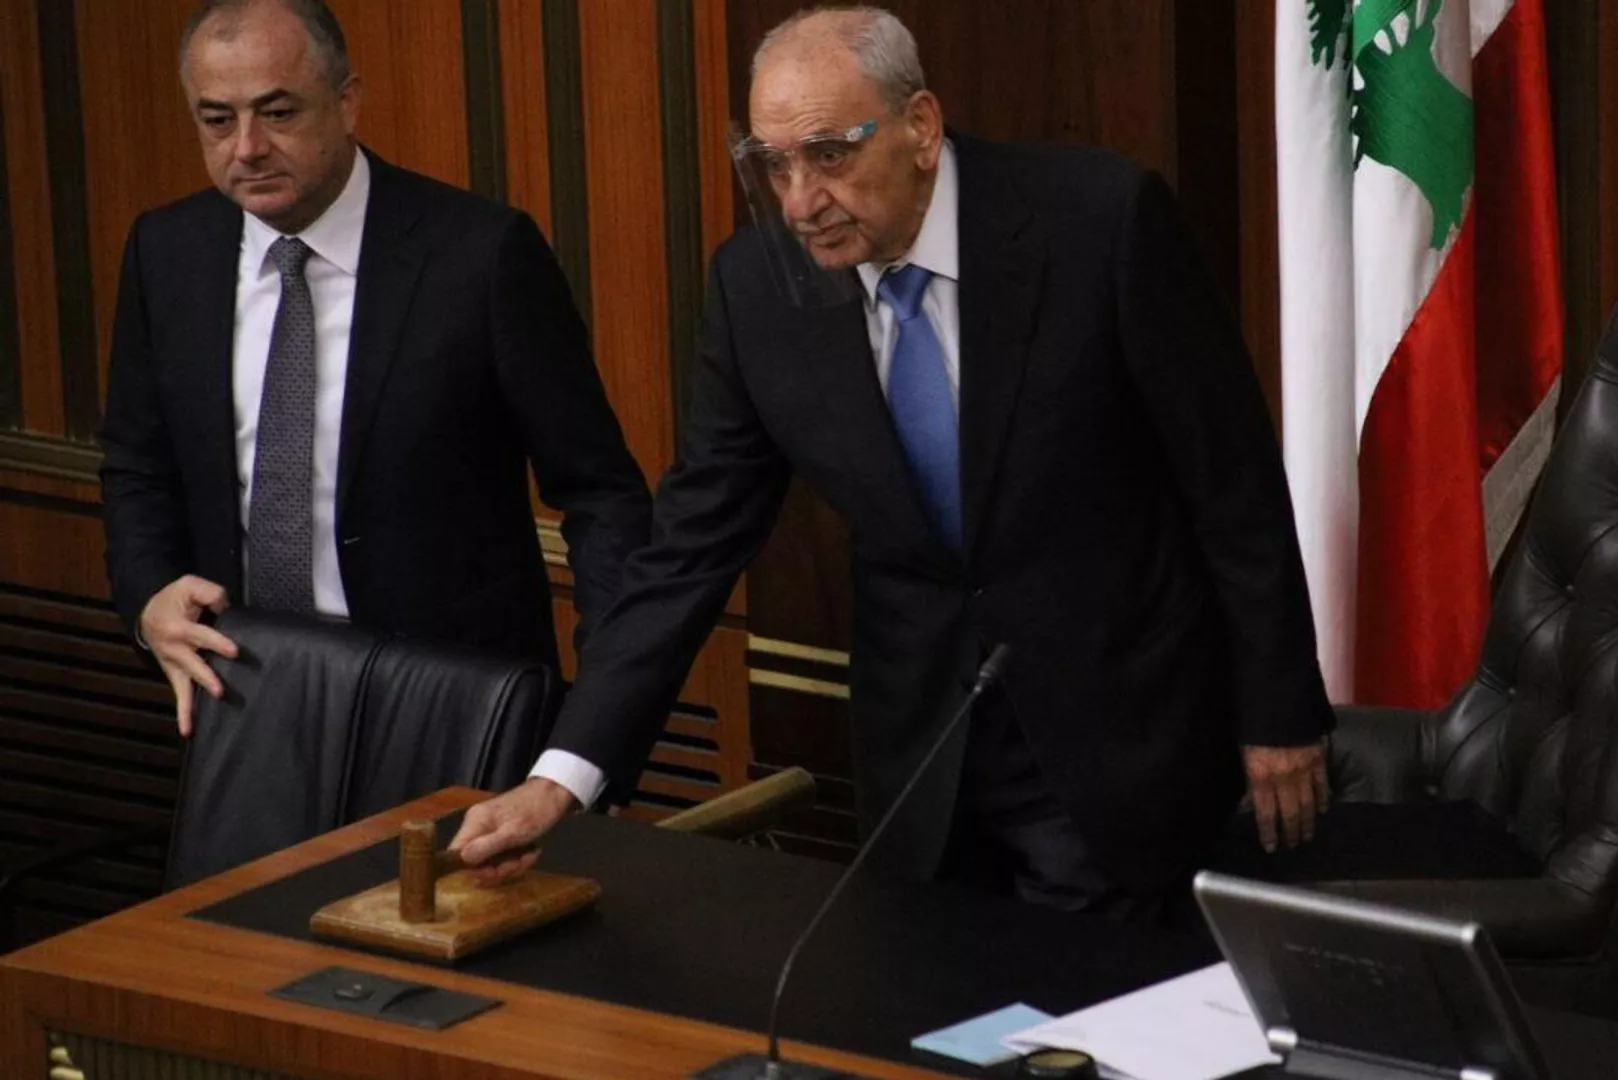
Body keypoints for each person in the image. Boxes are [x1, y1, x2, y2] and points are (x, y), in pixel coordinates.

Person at [454, 6, 1333, 917]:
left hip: (1120, 737)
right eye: (773, 165)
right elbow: (689, 549)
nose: (799, 202)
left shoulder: (1097, 221)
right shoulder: (757, 290)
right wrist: (561, 779)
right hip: (920, 765)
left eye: (829, 155)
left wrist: (1278, 711)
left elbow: (1231, 481)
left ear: (920, 126)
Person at [98, 0, 651, 734]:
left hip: (448, 705)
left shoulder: (480, 257)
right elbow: (136, 465)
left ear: (347, 102)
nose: (248, 147)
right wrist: (149, 599)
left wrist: (597, 717)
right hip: (241, 695)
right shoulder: (167, 252)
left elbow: (601, 494)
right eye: (217, 120)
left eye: (278, 113)